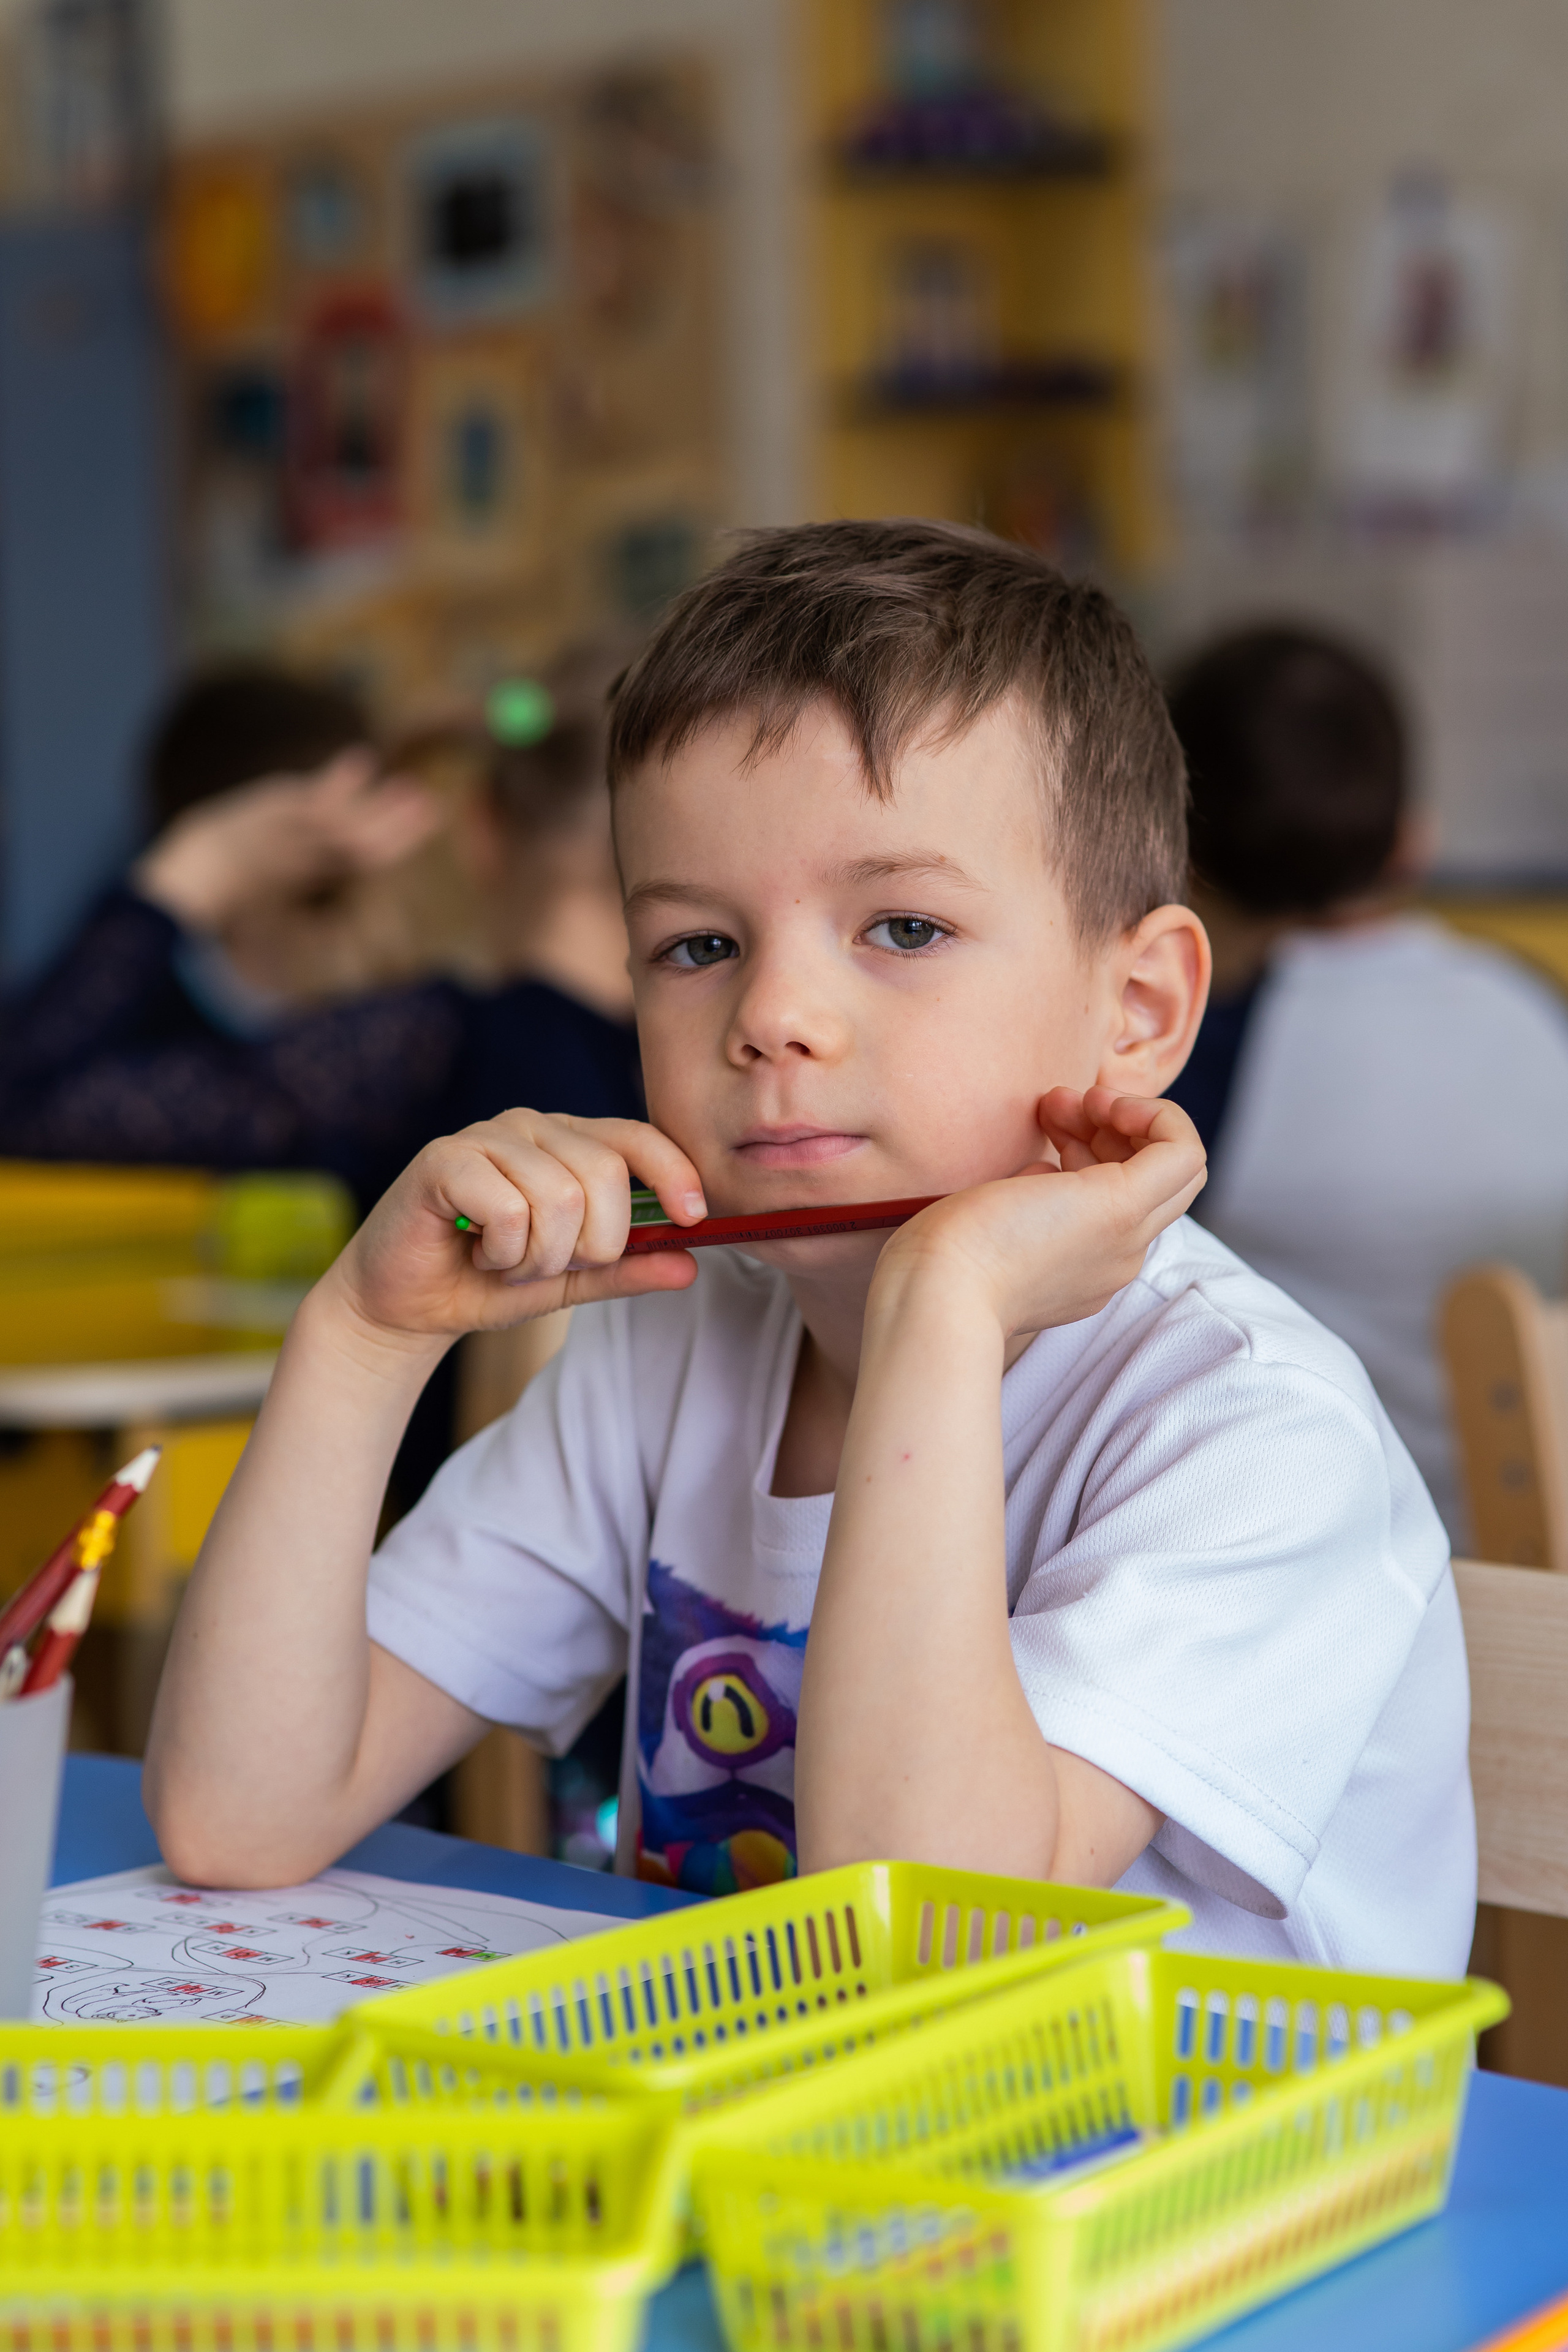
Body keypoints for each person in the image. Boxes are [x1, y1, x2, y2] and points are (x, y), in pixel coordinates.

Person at [144, 522, 1474, 1974]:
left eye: (900, 926)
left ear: (1138, 1010)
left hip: (1183, 2127)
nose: (769, 1015)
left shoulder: (1253, 1431)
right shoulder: (667, 1347)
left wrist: (943, 1305)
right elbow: (239, 1813)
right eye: (696, 946)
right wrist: (364, 1333)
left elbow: (936, 1952)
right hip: (785, 2107)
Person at [1165, 625, 1568, 1546]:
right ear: (1411, 838)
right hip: (1536, 1547)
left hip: (1322, 1543)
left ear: (1175, 851)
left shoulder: (1201, 1055)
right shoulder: (1532, 1003)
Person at [0, 656, 643, 1214]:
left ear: (480, 828)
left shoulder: (424, 1050)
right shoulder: (694, 1061)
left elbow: (19, 1101)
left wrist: (201, 862)